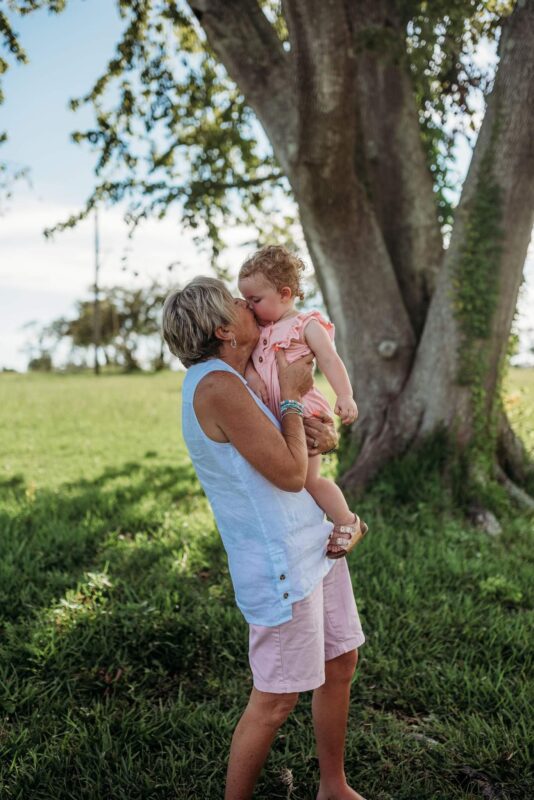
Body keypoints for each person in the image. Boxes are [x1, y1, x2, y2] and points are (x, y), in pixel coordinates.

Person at [162, 276, 368, 800]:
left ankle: (333, 787)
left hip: (312, 545)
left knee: (340, 662)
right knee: (276, 699)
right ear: (222, 329)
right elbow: (290, 474)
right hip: (281, 567)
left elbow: (298, 454)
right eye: (236, 302)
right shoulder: (216, 386)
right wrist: (297, 400)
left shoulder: (243, 377)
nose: (247, 303)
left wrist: (318, 428)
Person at [238, 245, 366, 543]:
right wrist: (252, 377)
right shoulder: (260, 328)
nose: (249, 306)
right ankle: (302, 532)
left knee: (309, 480)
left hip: (304, 412)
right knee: (282, 479)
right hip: (275, 414)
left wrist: (345, 396)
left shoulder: (305, 325)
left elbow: (330, 359)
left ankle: (348, 522)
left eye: (255, 299)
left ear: (284, 294)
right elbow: (245, 360)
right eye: (246, 299)